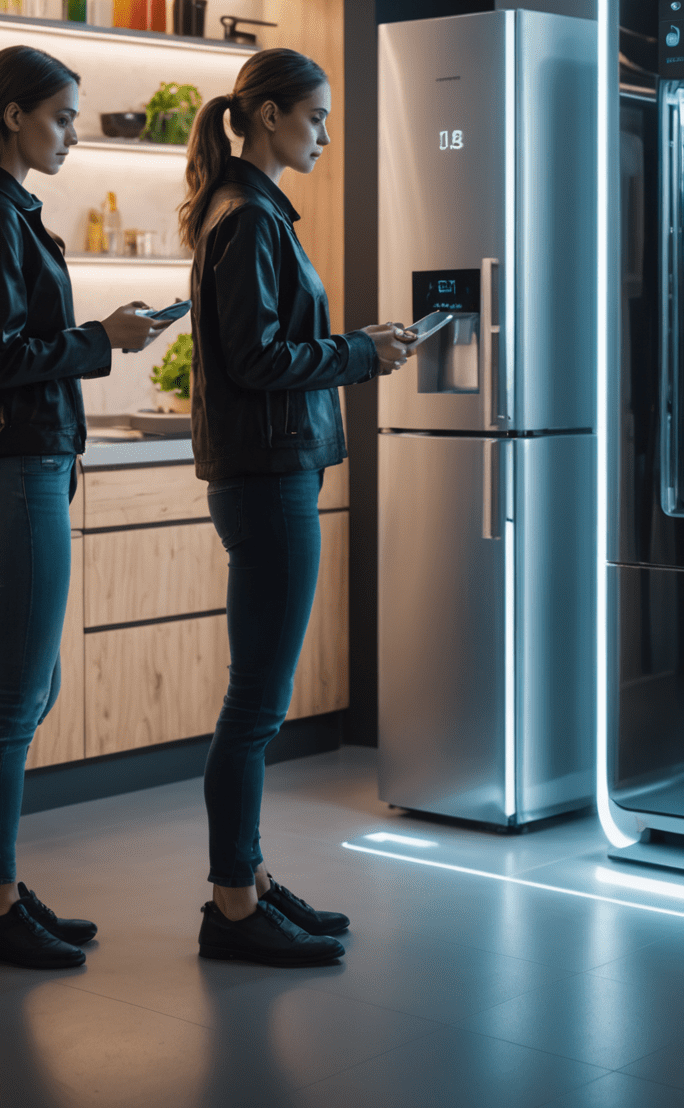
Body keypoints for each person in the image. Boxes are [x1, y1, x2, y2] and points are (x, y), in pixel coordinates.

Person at [0, 45, 173, 969]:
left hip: (27, 470)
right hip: (15, 472)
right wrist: (99, 339)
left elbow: (16, 347)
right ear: (11, 117)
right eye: (61, 116)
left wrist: (97, 340)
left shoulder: (6, 214)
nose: (71, 132)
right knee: (14, 698)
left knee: (32, 690)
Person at [181, 47, 410, 966]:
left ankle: (253, 884)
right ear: (269, 116)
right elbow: (259, 361)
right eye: (315, 116)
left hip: (276, 475)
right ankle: (234, 907)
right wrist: (361, 352)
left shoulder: (252, 212)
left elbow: (265, 351)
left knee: (257, 701)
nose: (323, 133)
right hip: (270, 481)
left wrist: (360, 347)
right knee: (257, 707)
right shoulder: (247, 219)